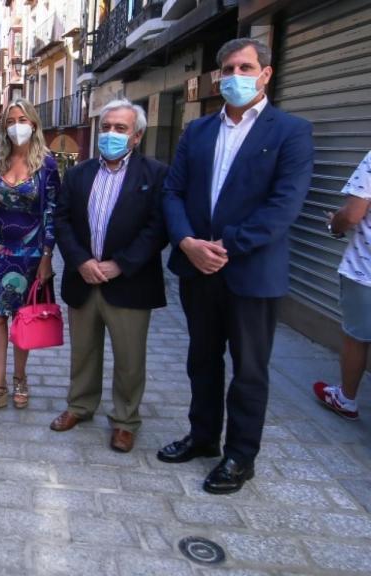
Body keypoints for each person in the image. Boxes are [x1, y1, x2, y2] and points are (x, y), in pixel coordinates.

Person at [159, 38, 314, 494]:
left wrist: (222, 247)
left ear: (266, 73)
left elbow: (284, 207)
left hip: (251, 272)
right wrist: (187, 242)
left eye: (245, 67)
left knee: (249, 370)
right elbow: (172, 192)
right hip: (196, 268)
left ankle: (240, 457)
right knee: (201, 359)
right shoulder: (198, 131)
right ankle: (203, 436)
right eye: (227, 69)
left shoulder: (291, 131)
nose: (235, 76)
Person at [51, 99, 168, 453]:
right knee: (83, 352)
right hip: (83, 279)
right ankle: (80, 406)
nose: (111, 134)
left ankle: (125, 420)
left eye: (120, 128)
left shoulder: (156, 174)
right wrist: (80, 261)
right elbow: (62, 220)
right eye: (106, 127)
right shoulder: (78, 173)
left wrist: (121, 264)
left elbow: (158, 227)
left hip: (130, 281)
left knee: (129, 358)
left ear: (137, 136)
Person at [0, 99, 59, 417]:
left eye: (22, 119)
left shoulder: (47, 164)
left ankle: (21, 378)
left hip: (32, 253)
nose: (16, 125)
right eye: (10, 120)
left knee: (23, 317)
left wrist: (48, 254)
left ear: (34, 124)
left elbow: (52, 212)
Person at [313, 149, 371, 420]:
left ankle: (346, 399)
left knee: (356, 338)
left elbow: (352, 215)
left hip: (365, 272)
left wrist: (333, 225)